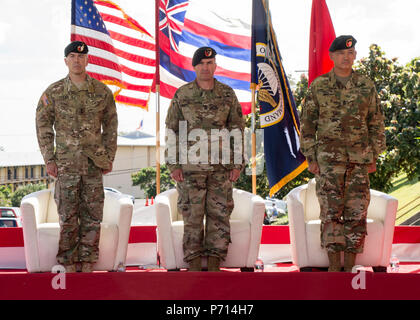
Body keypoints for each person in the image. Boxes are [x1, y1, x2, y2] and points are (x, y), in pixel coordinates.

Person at [300, 35, 386, 272]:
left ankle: (349, 266)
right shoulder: (319, 86)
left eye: (350, 53)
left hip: (359, 161)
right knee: (330, 211)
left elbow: (376, 121)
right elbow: (307, 124)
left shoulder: (365, 85)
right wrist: (311, 157)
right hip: (328, 162)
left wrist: (374, 155)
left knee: (357, 212)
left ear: (355, 55)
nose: (346, 57)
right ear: (331, 57)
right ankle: (333, 266)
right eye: (341, 53)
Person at [36, 41, 118, 273]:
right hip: (66, 166)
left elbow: (111, 126)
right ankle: (68, 265)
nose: (77, 60)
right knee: (68, 218)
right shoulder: (54, 92)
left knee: (92, 218)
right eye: (72, 56)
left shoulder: (102, 92)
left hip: (93, 166)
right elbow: (43, 125)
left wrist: (108, 157)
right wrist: (49, 159)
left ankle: (89, 263)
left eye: (81, 57)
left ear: (87, 60)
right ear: (66, 61)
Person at [165, 46, 245, 272]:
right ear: (194, 67)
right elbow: (172, 131)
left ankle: (214, 263)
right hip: (190, 169)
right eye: (201, 64)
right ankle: (192, 263)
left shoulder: (227, 94)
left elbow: (237, 129)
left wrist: (237, 163)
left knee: (219, 215)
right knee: (192, 215)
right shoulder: (183, 95)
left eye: (210, 63)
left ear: (215, 66)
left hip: (221, 168)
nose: (206, 67)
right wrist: (173, 164)